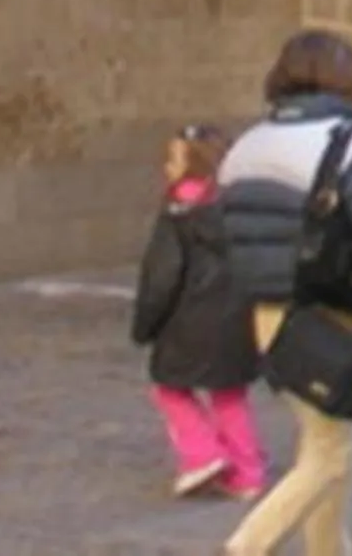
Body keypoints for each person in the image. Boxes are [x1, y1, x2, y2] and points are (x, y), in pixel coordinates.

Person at [217, 30, 352, 556]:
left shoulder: (246, 146)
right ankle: (246, 546)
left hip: (268, 312)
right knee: (331, 453)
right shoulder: (351, 144)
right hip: (331, 311)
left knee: (327, 438)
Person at [131, 123, 267, 502]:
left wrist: (145, 324)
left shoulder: (178, 214)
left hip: (188, 322)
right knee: (229, 395)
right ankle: (248, 473)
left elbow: (162, 276)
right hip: (238, 319)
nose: (166, 167)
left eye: (173, 160)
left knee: (170, 389)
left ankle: (203, 454)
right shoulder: (243, 211)